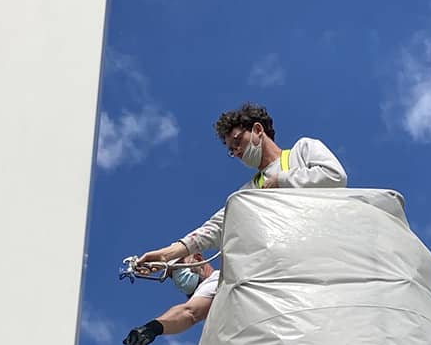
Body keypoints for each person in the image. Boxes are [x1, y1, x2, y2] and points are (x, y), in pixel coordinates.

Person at [134, 102, 347, 270]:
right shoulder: (247, 192)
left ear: (257, 130)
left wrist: (282, 180)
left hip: (325, 254)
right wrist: (167, 255)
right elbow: (215, 228)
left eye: (237, 141)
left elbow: (334, 176)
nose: (236, 151)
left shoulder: (302, 151)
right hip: (286, 268)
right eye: (231, 150)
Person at [122, 253, 219, 345]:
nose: (177, 278)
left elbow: (189, 313)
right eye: (172, 276)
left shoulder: (216, 281)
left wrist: (152, 328)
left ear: (198, 259)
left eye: (178, 268)